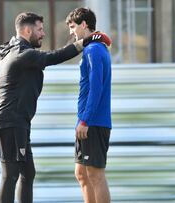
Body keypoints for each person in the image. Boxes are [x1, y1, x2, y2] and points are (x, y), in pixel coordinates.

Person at [0, 12, 111, 203]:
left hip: (18, 122)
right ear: (28, 30)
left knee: (27, 173)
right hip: (11, 122)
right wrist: (85, 41)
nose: (43, 34)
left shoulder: (16, 50)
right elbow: (54, 57)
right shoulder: (22, 53)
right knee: (11, 174)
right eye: (39, 29)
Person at [66, 8, 112, 203]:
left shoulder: (94, 49)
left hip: (93, 121)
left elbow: (96, 88)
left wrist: (85, 120)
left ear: (84, 24)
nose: (71, 32)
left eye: (73, 26)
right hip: (85, 120)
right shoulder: (93, 47)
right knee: (82, 173)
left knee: (95, 175)